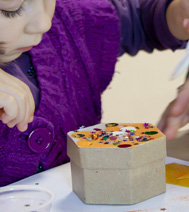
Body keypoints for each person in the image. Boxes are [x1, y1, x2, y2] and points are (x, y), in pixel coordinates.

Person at [0, 0, 188, 186]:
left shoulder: (68, 19)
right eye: (12, 10)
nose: (43, 23)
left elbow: (141, 17)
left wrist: (178, 13)